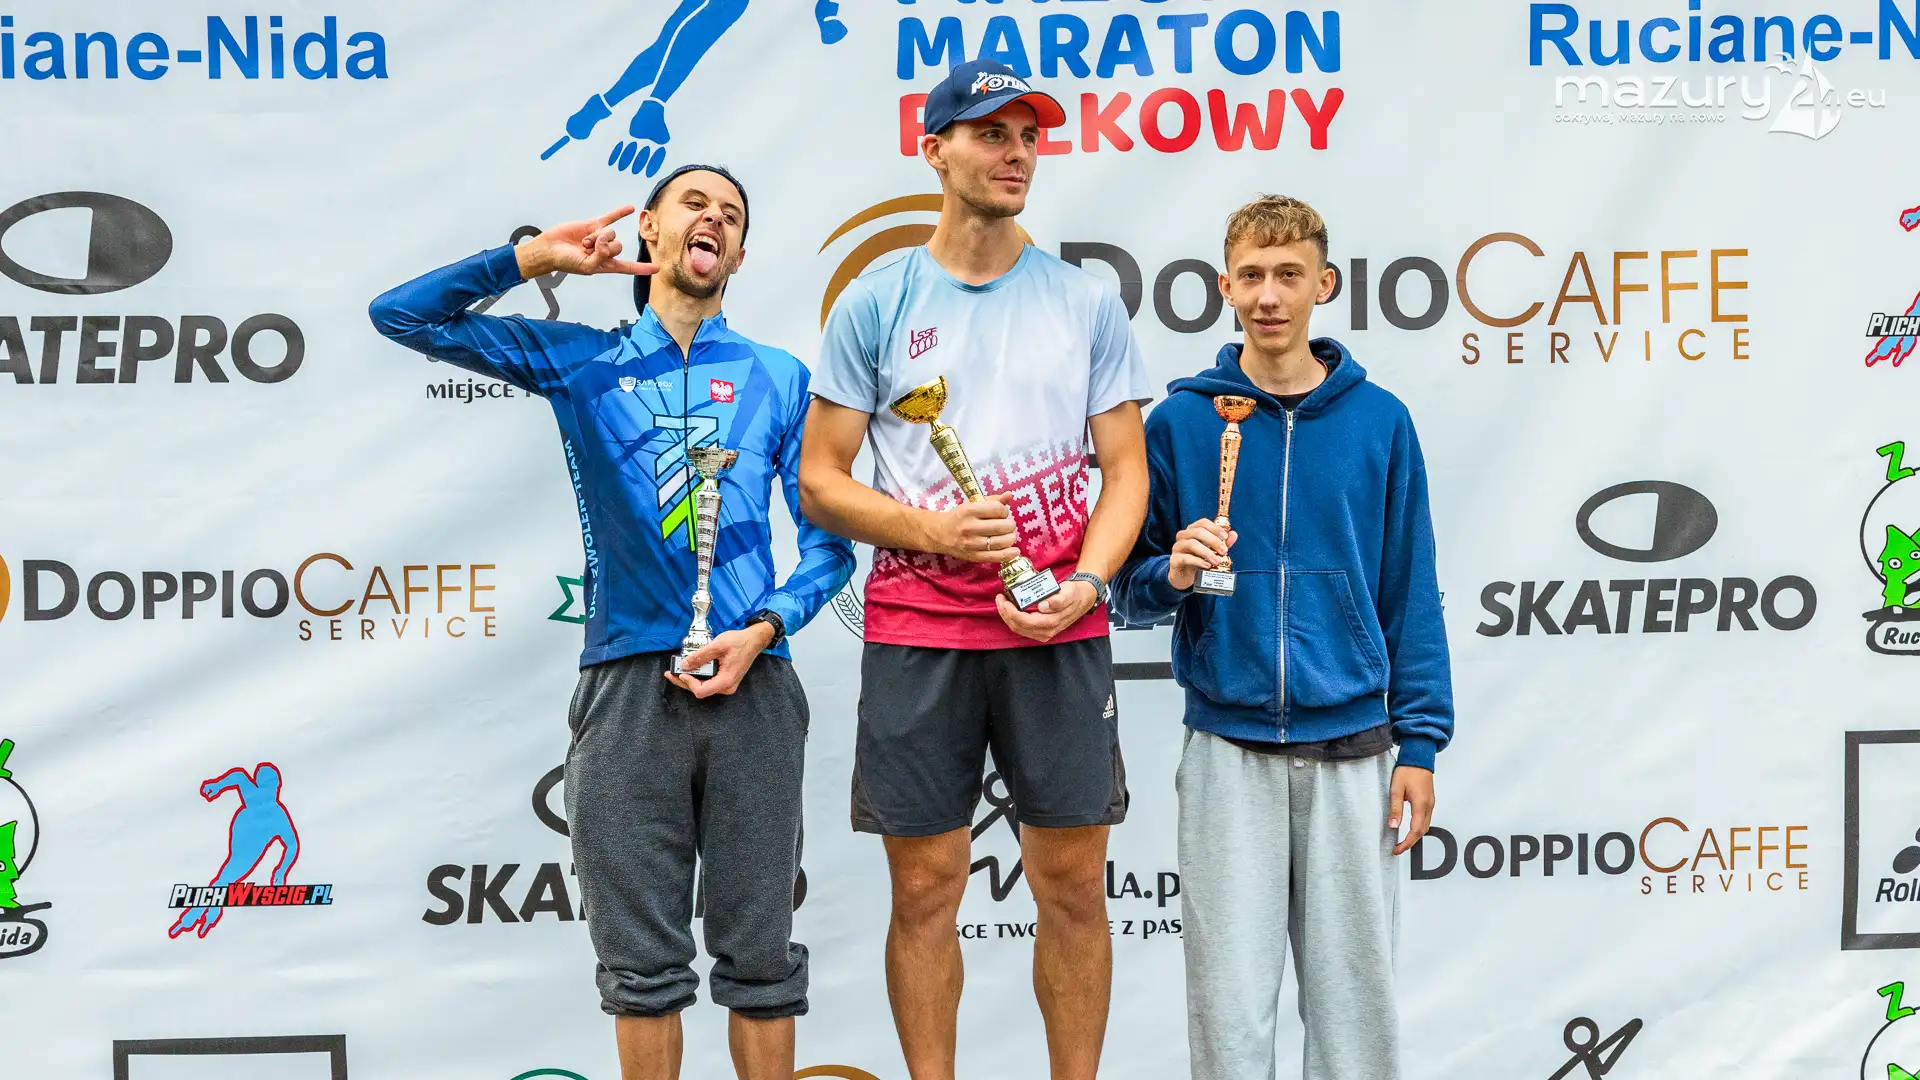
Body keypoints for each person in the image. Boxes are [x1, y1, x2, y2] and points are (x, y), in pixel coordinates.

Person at [369, 165, 855, 1080]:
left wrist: (763, 629)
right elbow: (400, 316)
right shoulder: (582, 360)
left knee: (762, 965)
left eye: (732, 215)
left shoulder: (782, 377)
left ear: (739, 256)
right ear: (651, 232)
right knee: (641, 973)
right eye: (694, 204)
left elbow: (830, 551)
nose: (714, 219)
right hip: (627, 688)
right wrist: (532, 260)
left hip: (754, 683)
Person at [798, 60, 1152, 1080]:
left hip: (1059, 630)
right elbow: (821, 480)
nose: (1017, 154)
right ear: (934, 150)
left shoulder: (1084, 301)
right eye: (992, 133)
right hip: (920, 630)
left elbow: (1125, 472)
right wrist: (932, 531)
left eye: (1029, 136)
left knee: (1073, 888)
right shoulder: (875, 302)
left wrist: (1086, 584)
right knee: (925, 892)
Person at [1111, 194, 1454, 1080]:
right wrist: (1171, 572)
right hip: (1228, 749)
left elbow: (1409, 592)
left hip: (1355, 750)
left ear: (1324, 285)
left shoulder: (1380, 422)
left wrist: (1420, 744)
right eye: (1252, 276)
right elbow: (1124, 589)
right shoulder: (1180, 423)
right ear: (1224, 286)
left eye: (1289, 275)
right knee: (1228, 1012)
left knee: (1355, 1016)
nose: (1270, 295)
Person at [167, 764, 298, 940]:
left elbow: (292, 845)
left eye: (271, 786)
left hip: (248, 852)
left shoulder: (276, 813)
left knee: (223, 880)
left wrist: (281, 870)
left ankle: (196, 916)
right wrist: (217, 785)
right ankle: (203, 915)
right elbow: (239, 776)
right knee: (223, 880)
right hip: (241, 846)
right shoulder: (258, 798)